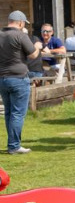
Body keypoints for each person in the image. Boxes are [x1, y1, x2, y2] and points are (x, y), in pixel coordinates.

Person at [1, 11, 42, 154]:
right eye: (24, 23)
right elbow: (33, 54)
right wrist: (38, 46)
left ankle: (12, 144)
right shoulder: (20, 35)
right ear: (20, 22)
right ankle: (14, 146)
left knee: (9, 113)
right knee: (18, 113)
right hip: (18, 77)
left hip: (2, 78)